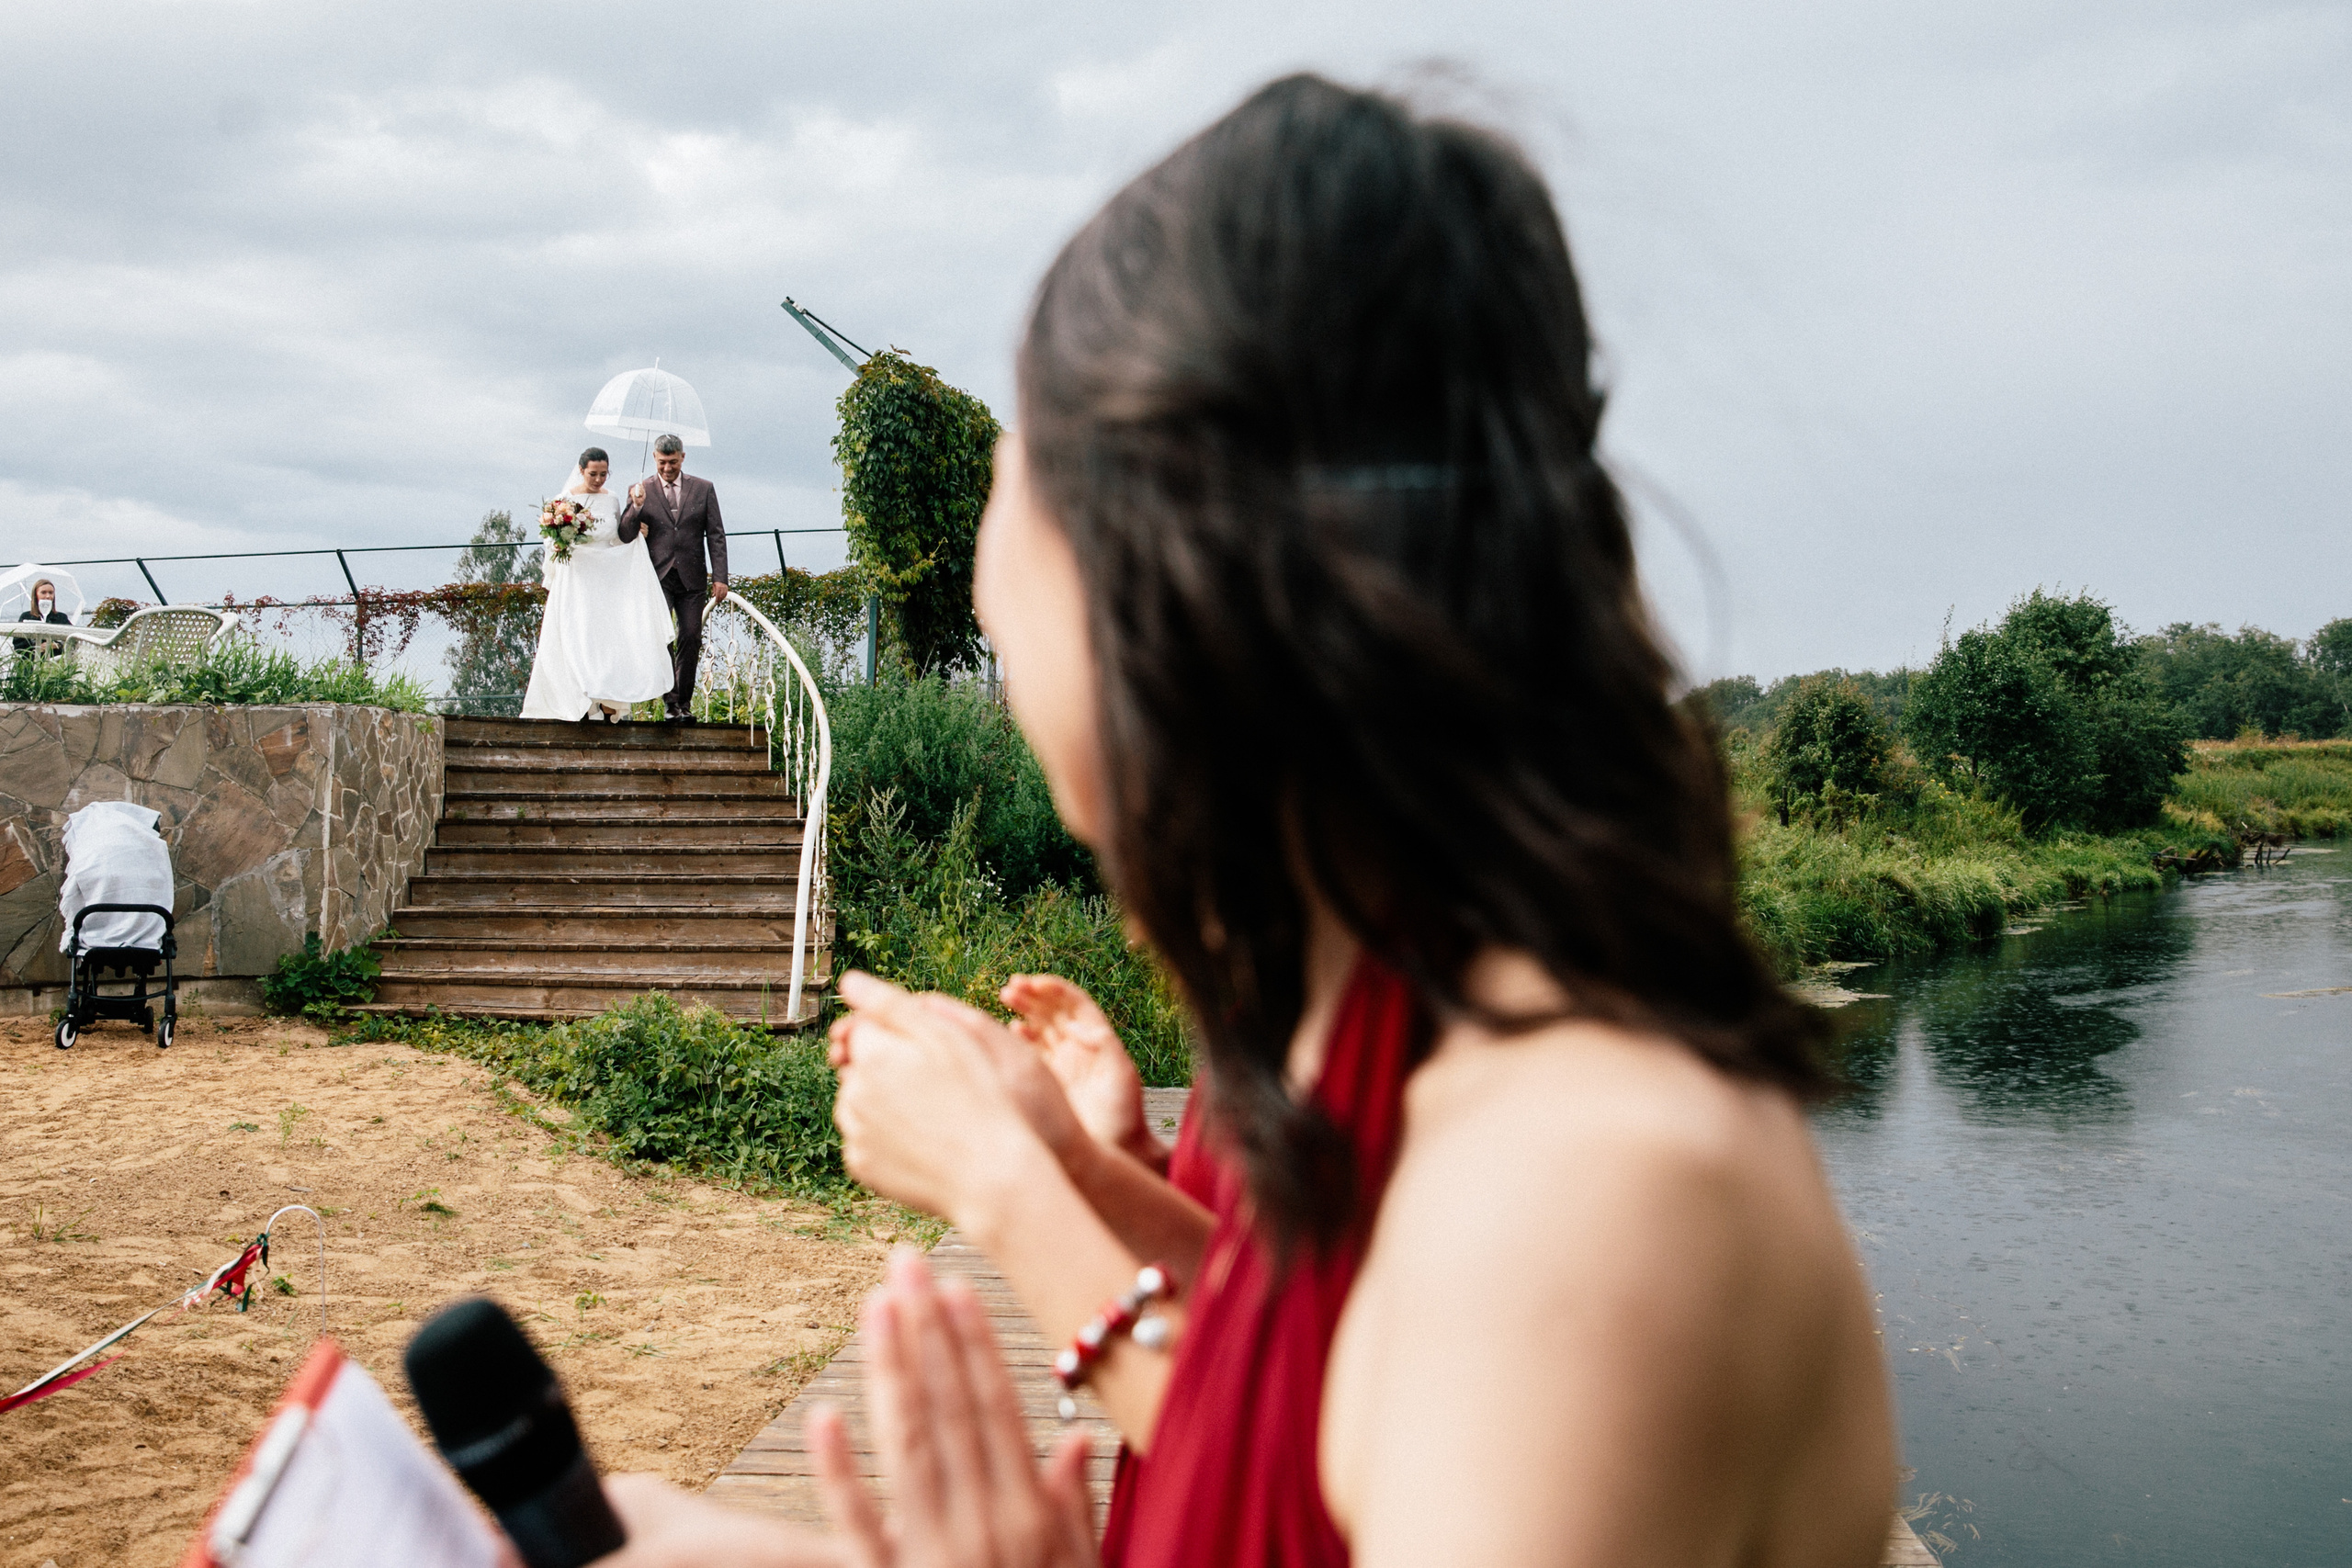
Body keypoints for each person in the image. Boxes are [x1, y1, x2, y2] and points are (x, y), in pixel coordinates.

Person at [601, 73, 1897, 1568]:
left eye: (1025, 521)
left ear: (1176, 580)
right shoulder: (1397, 1017)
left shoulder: (1585, 1206)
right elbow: (1306, 1437)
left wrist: (1018, 1189)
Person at [520, 447, 674, 722]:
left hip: (606, 577)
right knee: (576, 633)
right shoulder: (564, 500)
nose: (599, 479)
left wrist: (636, 529)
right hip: (578, 575)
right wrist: (560, 540)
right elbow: (550, 540)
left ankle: (605, 699)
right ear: (581, 470)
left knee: (605, 637)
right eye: (593, 474)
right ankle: (579, 695)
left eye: (604, 474)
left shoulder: (613, 498)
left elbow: (617, 535)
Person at [619, 434, 729, 722]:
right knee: (662, 638)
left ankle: (685, 703)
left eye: (673, 462)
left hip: (692, 578)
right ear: (655, 459)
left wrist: (720, 576)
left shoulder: (704, 489)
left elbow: (716, 535)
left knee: (690, 636)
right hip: (657, 576)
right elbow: (625, 534)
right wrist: (636, 506)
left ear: (683, 457)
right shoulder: (639, 489)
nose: (668, 468)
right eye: (663, 462)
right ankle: (671, 703)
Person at [13, 577, 73, 658]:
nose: (48, 596)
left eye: (51, 593)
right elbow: (18, 645)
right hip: (31, 664)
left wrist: (56, 645)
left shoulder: (61, 617)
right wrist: (37, 648)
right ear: (36, 595)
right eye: (43, 592)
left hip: (56, 664)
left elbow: (72, 640)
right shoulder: (26, 617)